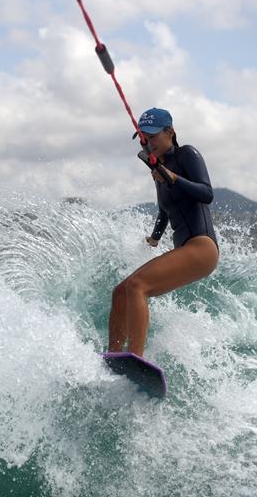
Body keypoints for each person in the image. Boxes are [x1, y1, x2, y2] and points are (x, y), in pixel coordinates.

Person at [108, 107, 220, 357]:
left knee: (137, 286)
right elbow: (165, 211)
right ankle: (114, 357)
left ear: (170, 132)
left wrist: (172, 177)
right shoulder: (160, 170)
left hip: (202, 247)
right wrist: (154, 238)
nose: (148, 143)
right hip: (186, 248)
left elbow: (207, 193)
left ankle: (135, 358)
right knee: (121, 292)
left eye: (153, 136)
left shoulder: (186, 154)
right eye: (144, 139)